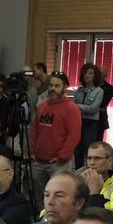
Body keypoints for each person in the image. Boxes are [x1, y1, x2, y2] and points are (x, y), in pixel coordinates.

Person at [28, 70, 82, 204]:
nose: (52, 88)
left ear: (65, 87)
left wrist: (62, 157)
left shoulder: (71, 108)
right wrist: (32, 151)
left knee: (59, 199)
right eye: (51, 85)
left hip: (58, 164)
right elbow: (34, 130)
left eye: (57, 86)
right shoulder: (41, 106)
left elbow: (74, 135)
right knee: (39, 200)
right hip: (38, 161)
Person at [78, 140, 113, 217]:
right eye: (89, 158)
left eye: (97, 158)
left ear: (109, 161)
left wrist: (95, 196)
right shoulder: (79, 184)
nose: (92, 162)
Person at [73, 63, 107, 154]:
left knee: (89, 149)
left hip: (90, 123)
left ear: (95, 76)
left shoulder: (99, 91)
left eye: (90, 74)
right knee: (77, 150)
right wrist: (77, 107)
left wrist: (78, 106)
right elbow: (72, 107)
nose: (87, 75)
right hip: (78, 122)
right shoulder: (79, 90)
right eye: (85, 73)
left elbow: (93, 109)